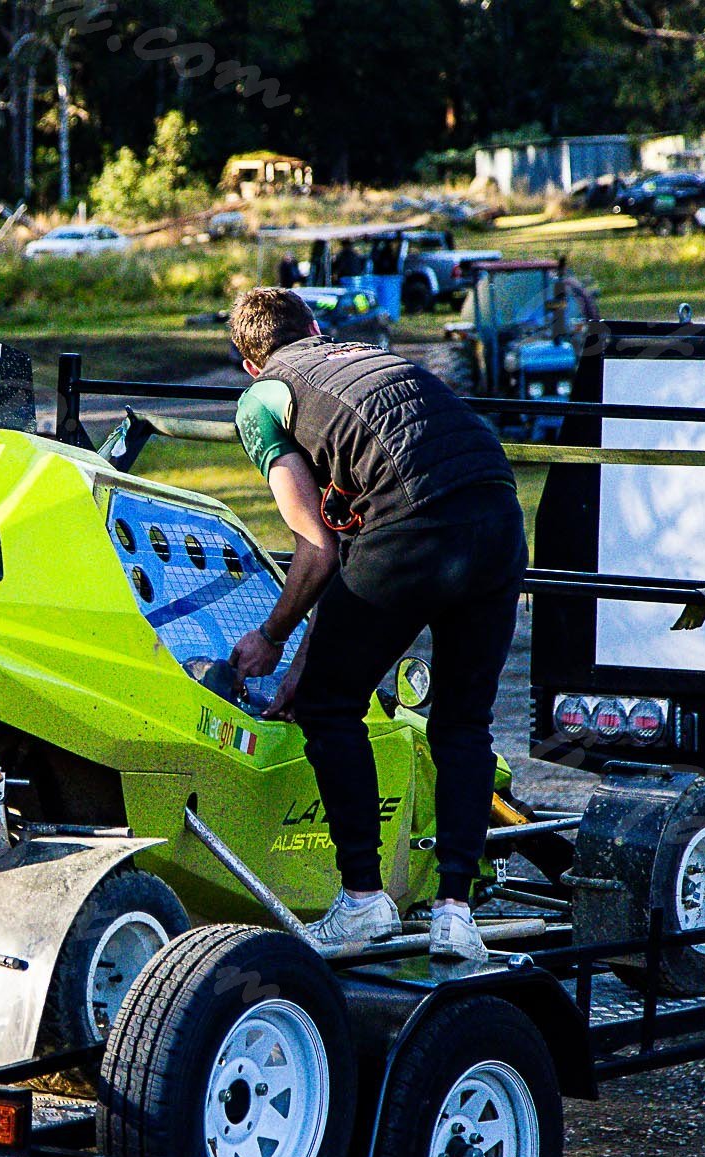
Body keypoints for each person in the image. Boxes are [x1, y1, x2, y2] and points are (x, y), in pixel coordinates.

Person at [224, 287, 526, 963]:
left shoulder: (263, 397)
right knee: (462, 723)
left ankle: (363, 899)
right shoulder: (365, 358)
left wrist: (273, 637)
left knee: (330, 708)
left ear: (250, 365)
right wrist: (312, 656)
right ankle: (454, 913)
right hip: (499, 516)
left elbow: (317, 547)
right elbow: (349, 543)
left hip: (417, 526)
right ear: (317, 327)